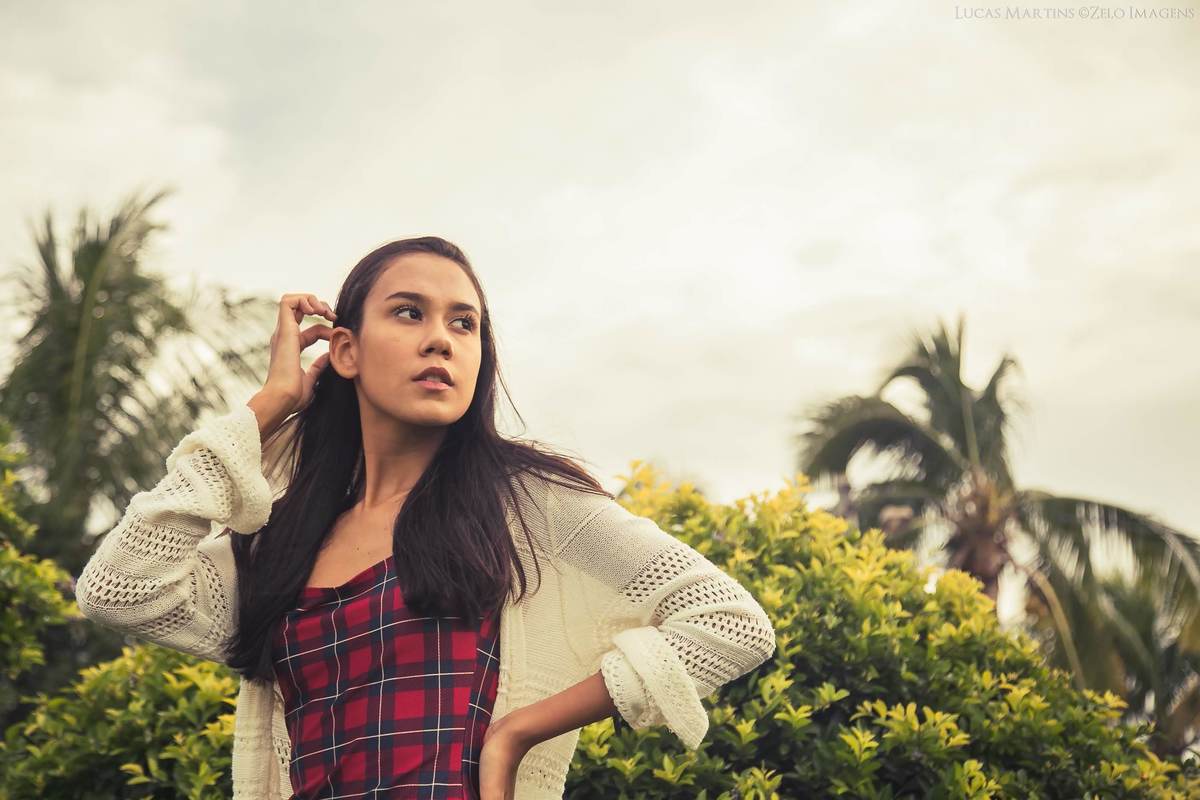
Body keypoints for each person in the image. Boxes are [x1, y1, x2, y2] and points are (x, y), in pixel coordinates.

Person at [74, 236, 778, 800]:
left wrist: (515, 738)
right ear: (344, 350)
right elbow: (120, 589)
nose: (440, 339)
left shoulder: (524, 503)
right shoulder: (283, 543)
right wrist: (268, 408)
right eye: (409, 312)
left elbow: (726, 621)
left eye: (463, 323)